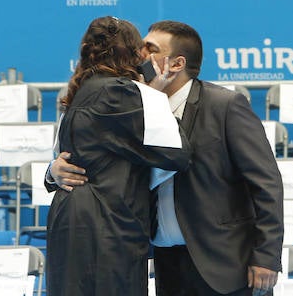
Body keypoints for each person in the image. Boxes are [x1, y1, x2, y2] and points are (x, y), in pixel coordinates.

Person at [51, 20, 284, 296]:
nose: (139, 55)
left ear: (176, 64)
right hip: (167, 264)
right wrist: (53, 170)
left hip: (225, 264)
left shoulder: (225, 106)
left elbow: (266, 183)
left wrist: (266, 256)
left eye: (149, 49)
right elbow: (90, 148)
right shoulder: (130, 104)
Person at [45, 15, 192, 296]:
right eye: (143, 50)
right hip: (105, 227)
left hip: (76, 220)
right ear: (132, 54)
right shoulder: (120, 93)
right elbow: (177, 154)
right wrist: (153, 94)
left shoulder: (82, 90)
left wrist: (52, 172)